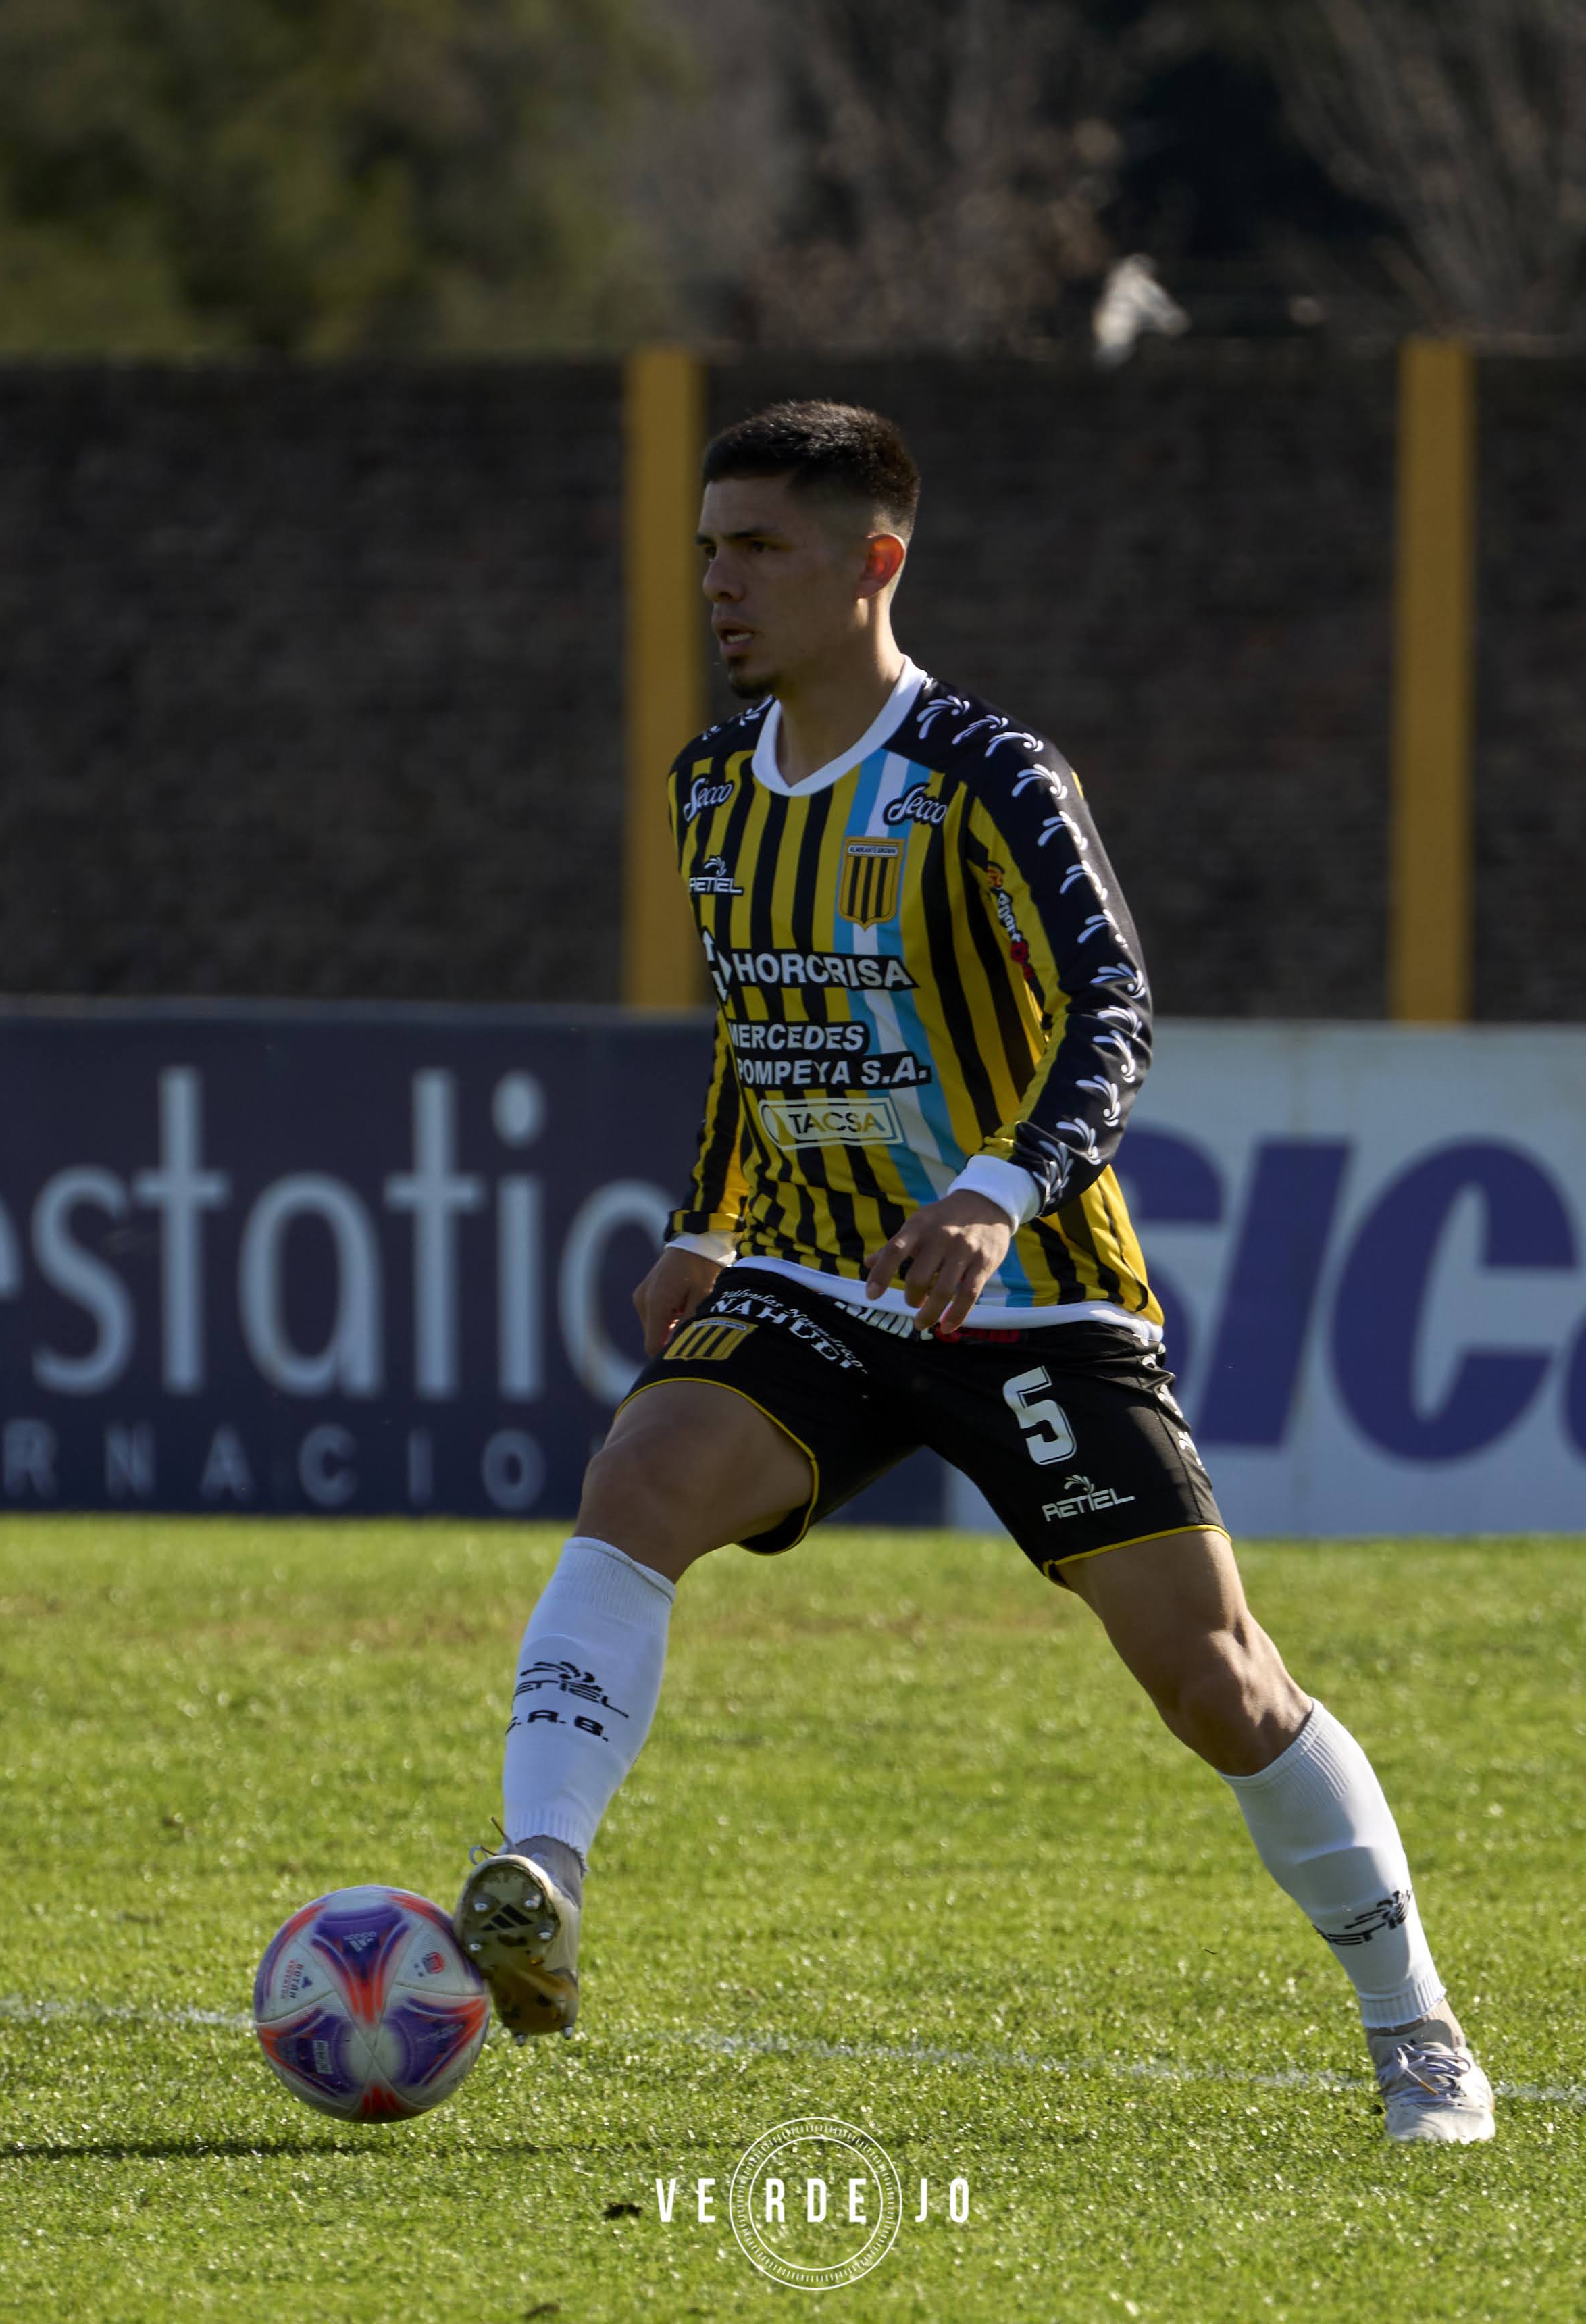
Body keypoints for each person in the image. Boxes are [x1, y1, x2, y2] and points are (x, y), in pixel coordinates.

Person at [454, 400, 1493, 2144]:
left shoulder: (986, 776)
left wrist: (997, 1196)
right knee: (636, 1481)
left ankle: (1420, 2035)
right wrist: (704, 1223)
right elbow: (752, 1018)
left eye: (758, 548)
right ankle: (538, 1877)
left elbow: (1114, 1011)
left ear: (874, 562)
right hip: (815, 1275)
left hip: (1024, 1298)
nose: (718, 583)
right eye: (706, 546)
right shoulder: (710, 784)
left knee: (1215, 1682)